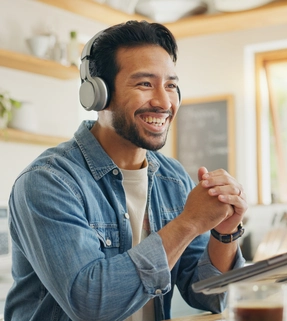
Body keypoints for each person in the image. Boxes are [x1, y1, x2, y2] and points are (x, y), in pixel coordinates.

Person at [4, 20, 247, 321]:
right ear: (97, 94)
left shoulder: (173, 179)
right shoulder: (48, 182)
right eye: (145, 84)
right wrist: (188, 223)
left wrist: (225, 233)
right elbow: (91, 305)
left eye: (171, 85)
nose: (164, 101)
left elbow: (211, 296)